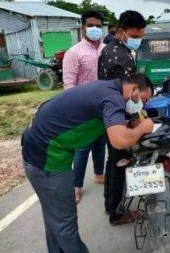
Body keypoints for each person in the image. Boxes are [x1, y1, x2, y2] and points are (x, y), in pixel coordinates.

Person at [22, 74, 154, 253]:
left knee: (55, 218)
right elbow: (120, 140)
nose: (142, 105)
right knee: (65, 225)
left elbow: (105, 121)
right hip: (46, 160)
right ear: (134, 90)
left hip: (40, 150)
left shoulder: (108, 89)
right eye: (143, 99)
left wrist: (130, 123)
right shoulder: (112, 98)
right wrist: (143, 127)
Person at [98, 10, 147, 225]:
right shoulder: (123, 57)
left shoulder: (107, 49)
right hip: (118, 116)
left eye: (140, 36)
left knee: (112, 160)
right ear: (121, 31)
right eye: (135, 36)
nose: (138, 40)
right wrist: (138, 120)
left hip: (106, 113)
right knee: (121, 161)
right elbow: (127, 93)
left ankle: (110, 203)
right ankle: (117, 213)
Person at [63, 10, 106, 204]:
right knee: (82, 149)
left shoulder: (106, 50)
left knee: (100, 143)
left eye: (98, 25)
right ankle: (76, 187)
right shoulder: (74, 52)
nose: (95, 29)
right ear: (83, 28)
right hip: (82, 109)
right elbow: (69, 84)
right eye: (91, 25)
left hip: (103, 107)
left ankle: (99, 175)